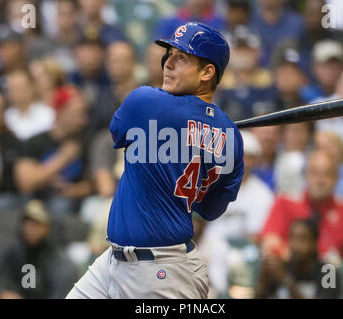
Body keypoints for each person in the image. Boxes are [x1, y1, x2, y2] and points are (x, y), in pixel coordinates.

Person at [67, 22, 244, 299]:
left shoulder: (145, 102)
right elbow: (210, 209)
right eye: (169, 54)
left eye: (181, 58)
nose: (168, 63)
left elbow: (118, 132)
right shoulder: (230, 136)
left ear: (208, 72)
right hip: (114, 262)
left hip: (162, 274)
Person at [201, 130, 273, 295]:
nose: (242, 161)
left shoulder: (262, 194)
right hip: (208, 245)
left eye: (248, 156)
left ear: (255, 160)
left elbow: (254, 237)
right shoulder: (213, 184)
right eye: (237, 155)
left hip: (241, 251)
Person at [14, 85, 92, 215]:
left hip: (70, 202)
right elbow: (26, 183)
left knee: (61, 204)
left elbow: (93, 183)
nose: (84, 121)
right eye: (78, 114)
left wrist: (72, 191)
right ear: (60, 112)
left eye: (85, 114)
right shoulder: (36, 142)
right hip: (36, 199)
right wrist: (63, 158)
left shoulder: (87, 141)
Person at [0, 200, 78, 299]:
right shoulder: (15, 255)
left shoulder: (61, 265)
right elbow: (1, 286)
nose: (30, 229)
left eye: (36, 224)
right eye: (27, 223)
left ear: (48, 228)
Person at [255, 219, 341, 299]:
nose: (295, 244)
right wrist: (263, 280)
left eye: (302, 239)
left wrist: (287, 281)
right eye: (292, 238)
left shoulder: (329, 272)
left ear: (315, 243)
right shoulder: (281, 268)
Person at [3, 70, 55, 141]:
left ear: (32, 88)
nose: (17, 94)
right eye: (12, 89)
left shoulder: (47, 114)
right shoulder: (5, 117)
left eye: (20, 88)